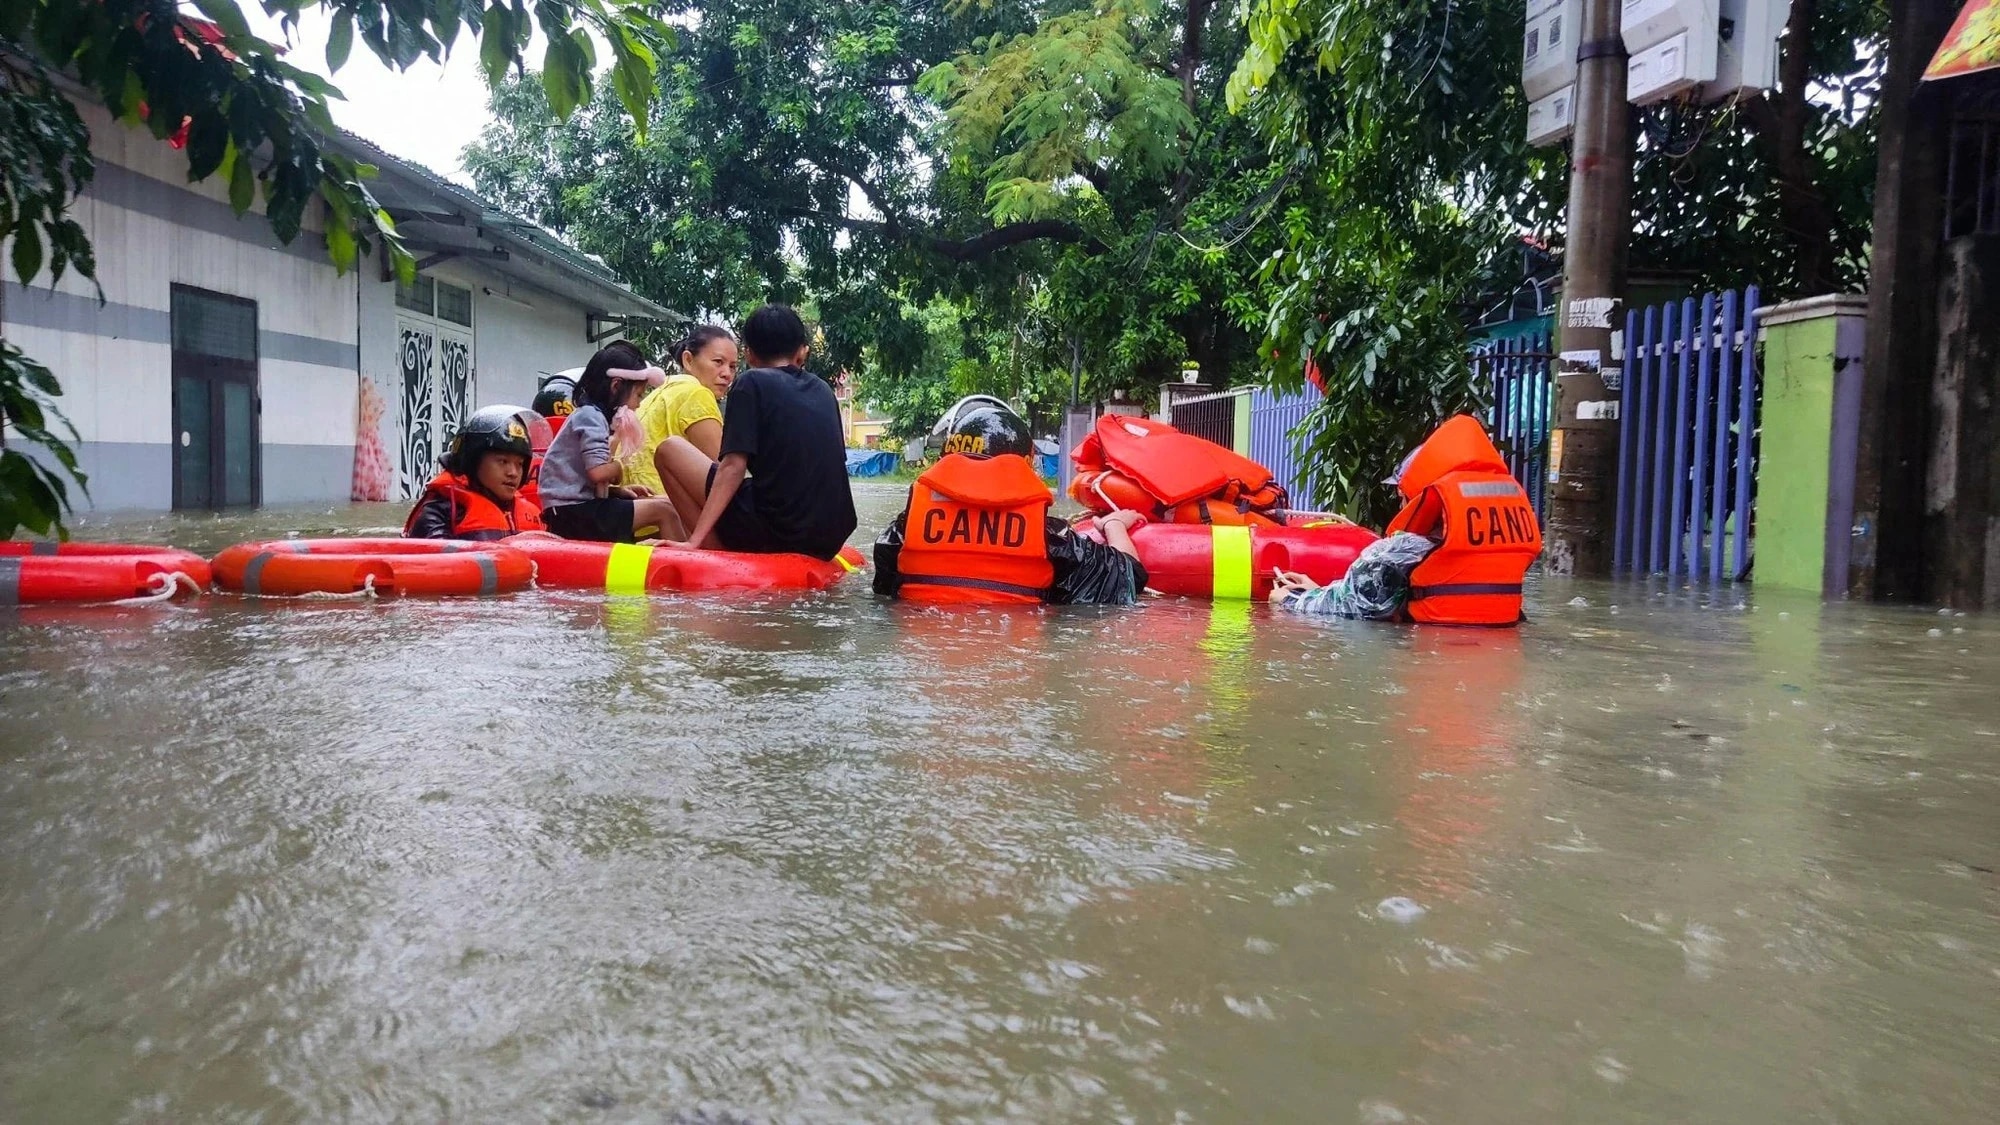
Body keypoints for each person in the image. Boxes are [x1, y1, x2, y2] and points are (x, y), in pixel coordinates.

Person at [874, 404, 1150, 605]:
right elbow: (1129, 579)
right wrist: (1113, 524)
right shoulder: (1051, 539)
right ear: (1025, 464)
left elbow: (884, 589)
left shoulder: (904, 529)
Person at [653, 305, 857, 560]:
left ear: (749, 355)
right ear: (799, 352)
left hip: (781, 531)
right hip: (831, 537)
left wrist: (692, 540)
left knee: (669, 450)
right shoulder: (823, 389)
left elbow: (733, 467)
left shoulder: (751, 383)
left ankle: (710, 548)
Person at [535, 341, 688, 543]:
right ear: (616, 386)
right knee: (664, 511)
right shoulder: (591, 417)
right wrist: (619, 468)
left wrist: (618, 491)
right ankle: (686, 567)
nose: (639, 403)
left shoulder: (591, 416)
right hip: (572, 513)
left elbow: (582, 478)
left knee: (666, 502)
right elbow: (598, 472)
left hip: (571, 508)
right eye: (638, 394)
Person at [622, 325, 737, 497]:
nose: (727, 374)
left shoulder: (662, 391)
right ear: (688, 360)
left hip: (635, 507)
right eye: (718, 362)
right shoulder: (696, 393)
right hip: (666, 511)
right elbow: (724, 472)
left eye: (733, 366)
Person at [403, 405, 547, 540]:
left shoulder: (532, 513)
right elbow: (433, 562)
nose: (513, 473)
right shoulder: (441, 512)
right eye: (503, 462)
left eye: (520, 464)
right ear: (472, 461)